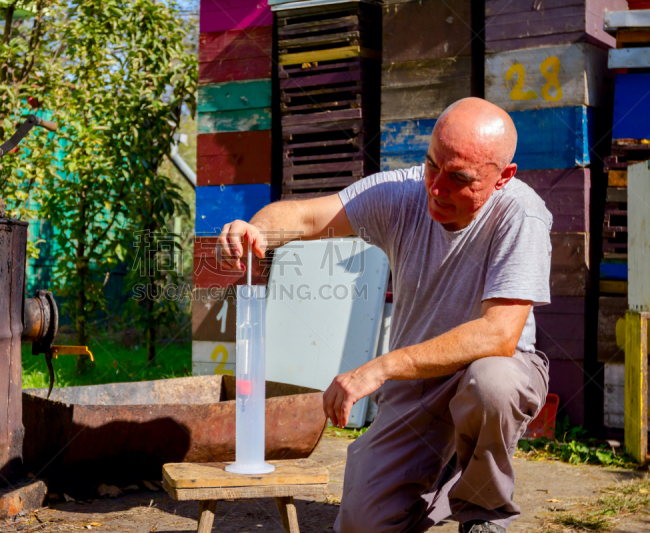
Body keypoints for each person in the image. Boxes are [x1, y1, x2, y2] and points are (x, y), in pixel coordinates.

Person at [215, 98, 552, 533]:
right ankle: (446, 478)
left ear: (503, 176)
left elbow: (498, 335)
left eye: (459, 178)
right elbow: (303, 215)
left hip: (497, 369)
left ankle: (483, 512)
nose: (436, 188)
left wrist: (381, 367)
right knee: (361, 524)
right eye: (432, 165)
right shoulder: (403, 193)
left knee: (491, 384)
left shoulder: (520, 215)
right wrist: (258, 229)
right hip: (418, 383)